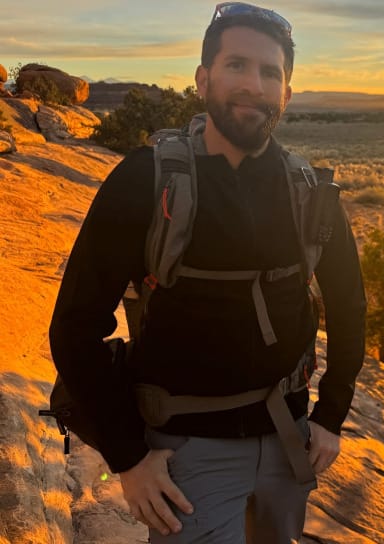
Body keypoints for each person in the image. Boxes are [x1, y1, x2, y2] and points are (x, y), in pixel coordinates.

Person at [48, 3, 366, 542]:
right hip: (188, 452)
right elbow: (75, 329)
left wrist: (331, 416)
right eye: (236, 65)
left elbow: (349, 303)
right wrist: (129, 458)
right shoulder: (144, 181)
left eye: (271, 73)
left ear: (286, 92)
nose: (254, 85)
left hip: (291, 440)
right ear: (203, 78)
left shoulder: (309, 192)